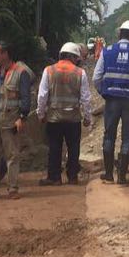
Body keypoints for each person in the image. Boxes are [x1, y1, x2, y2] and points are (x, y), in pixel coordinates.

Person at [93, 20, 129, 185]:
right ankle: (122, 176)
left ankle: (108, 174)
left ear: (119, 34)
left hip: (111, 101)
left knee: (109, 135)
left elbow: (96, 77)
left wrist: (104, 92)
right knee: (127, 138)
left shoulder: (107, 51)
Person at [0, 42, 33, 200]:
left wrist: (22, 117)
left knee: (12, 155)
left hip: (10, 122)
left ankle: (12, 188)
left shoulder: (20, 73)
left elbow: (25, 98)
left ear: (5, 54)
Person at [37, 43, 92, 186]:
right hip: (73, 118)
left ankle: (54, 177)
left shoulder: (49, 70)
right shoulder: (80, 73)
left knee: (54, 147)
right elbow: (85, 98)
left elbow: (42, 95)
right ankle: (72, 177)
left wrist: (40, 113)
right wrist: (87, 117)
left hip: (54, 117)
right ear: (74, 57)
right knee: (73, 148)